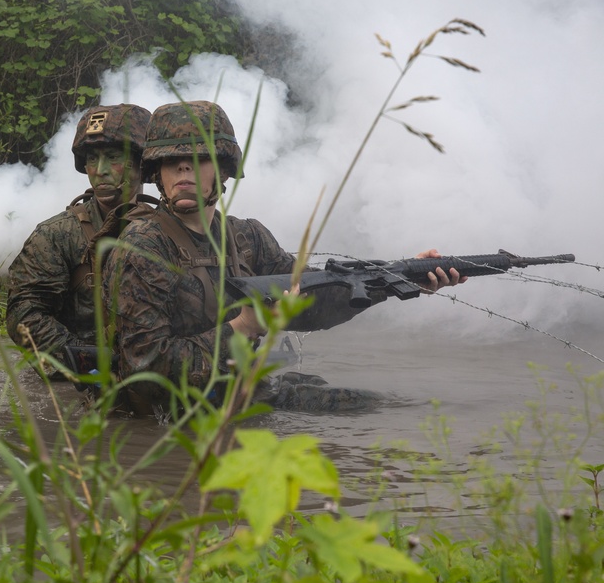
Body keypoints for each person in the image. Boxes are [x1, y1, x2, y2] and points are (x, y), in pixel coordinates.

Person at [103, 100, 463, 414]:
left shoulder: (247, 238)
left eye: (197, 158)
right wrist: (244, 327)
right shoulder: (141, 248)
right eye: (171, 161)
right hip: (166, 416)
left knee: (376, 404)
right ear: (157, 174)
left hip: (234, 396)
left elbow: (316, 303)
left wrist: (401, 279)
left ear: (224, 169)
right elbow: (146, 372)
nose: (183, 170)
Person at [6, 103, 156, 375]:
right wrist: (84, 361)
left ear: (142, 164)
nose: (100, 170)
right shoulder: (57, 235)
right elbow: (25, 314)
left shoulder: (168, 231)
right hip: (78, 384)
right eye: (91, 159)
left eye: (113, 157)